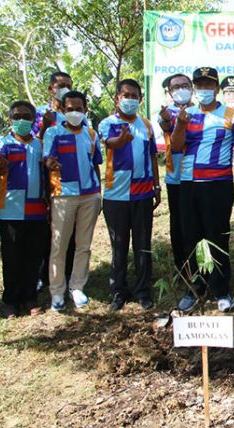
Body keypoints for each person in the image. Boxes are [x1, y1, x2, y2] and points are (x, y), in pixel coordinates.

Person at [171, 67, 234, 313]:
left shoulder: (230, 115)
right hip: (189, 184)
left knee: (217, 237)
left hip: (218, 185)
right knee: (190, 238)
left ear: (216, 88)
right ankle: (194, 288)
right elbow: (175, 147)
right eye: (200, 85)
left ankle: (221, 289)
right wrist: (180, 126)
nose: (204, 89)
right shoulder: (186, 114)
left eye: (208, 85)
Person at [99, 79, 160, 311]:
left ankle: (143, 290)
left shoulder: (146, 124)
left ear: (140, 99)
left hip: (143, 193)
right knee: (119, 245)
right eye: (126, 95)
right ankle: (118, 291)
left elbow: (153, 156)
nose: (130, 100)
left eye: (134, 96)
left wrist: (157, 185)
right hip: (116, 195)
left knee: (143, 245)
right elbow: (110, 143)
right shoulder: (107, 123)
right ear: (117, 98)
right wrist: (121, 140)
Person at [43, 91, 102, 311]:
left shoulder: (91, 134)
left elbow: (96, 163)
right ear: (63, 110)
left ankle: (77, 287)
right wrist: (51, 164)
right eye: (70, 109)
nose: (75, 112)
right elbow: (47, 159)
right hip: (63, 194)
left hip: (90, 195)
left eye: (79, 108)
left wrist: (99, 194)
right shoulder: (53, 132)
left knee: (84, 245)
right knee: (59, 246)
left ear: (85, 110)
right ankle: (57, 292)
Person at [0, 101, 49, 318]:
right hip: (10, 210)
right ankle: (10, 300)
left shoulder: (40, 145)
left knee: (33, 256)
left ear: (34, 120)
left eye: (27, 116)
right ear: (10, 120)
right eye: (17, 116)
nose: (22, 120)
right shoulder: (3, 143)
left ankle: (30, 297)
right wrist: (0, 165)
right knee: (12, 257)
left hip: (37, 211)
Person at [33, 71, 76, 292]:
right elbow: (32, 147)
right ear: (51, 88)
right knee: (47, 230)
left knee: (68, 229)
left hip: (71, 182)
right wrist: (43, 127)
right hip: (44, 179)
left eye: (69, 85)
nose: (65, 89)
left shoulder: (74, 113)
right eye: (61, 85)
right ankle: (43, 275)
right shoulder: (40, 114)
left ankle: (67, 274)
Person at [158, 73, 194, 276]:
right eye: (176, 87)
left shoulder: (200, 110)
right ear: (170, 92)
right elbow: (165, 125)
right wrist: (167, 120)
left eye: (185, 85)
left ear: (192, 88)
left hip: (198, 176)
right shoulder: (167, 113)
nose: (181, 89)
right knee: (178, 222)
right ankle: (181, 265)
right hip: (176, 177)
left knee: (196, 222)